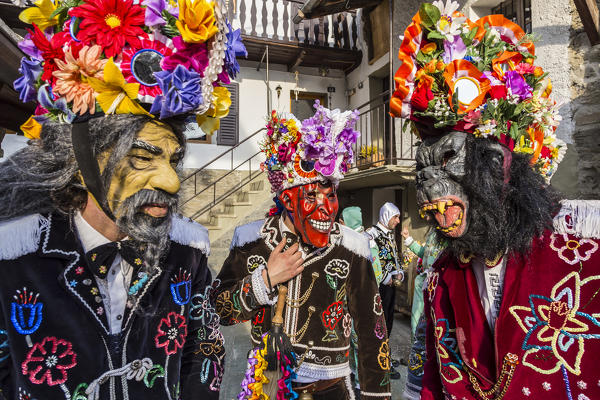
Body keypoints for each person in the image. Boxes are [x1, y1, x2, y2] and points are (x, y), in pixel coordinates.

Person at [0, 0, 246, 397]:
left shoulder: (187, 252)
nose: (169, 180)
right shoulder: (12, 260)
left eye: (174, 160)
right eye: (143, 157)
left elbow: (206, 354)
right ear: (80, 163)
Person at [391, 2, 600, 398]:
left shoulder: (587, 243)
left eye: (450, 158)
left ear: (500, 161)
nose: (432, 196)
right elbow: (426, 382)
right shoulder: (440, 278)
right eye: (425, 169)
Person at [215, 104, 391, 399]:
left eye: (331, 194)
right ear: (286, 197)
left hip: (331, 390)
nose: (326, 207)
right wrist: (265, 280)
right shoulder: (250, 240)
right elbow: (219, 311)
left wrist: (377, 396)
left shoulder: (352, 247)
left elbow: (373, 333)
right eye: (311, 195)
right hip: (266, 386)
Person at [339, 206, 384, 396]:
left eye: (341, 221)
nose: (339, 224)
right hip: (368, 301)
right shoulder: (369, 241)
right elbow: (379, 275)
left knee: (356, 343)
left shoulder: (352, 242)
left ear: (346, 221)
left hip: (354, 304)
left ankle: (359, 384)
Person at [400, 227, 446, 400]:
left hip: (438, 286)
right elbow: (424, 254)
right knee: (417, 324)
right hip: (424, 285)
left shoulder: (447, 233)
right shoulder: (433, 232)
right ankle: (418, 363)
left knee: (433, 327)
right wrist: (409, 240)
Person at [366, 202, 404, 379]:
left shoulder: (389, 234)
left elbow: (393, 257)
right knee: (379, 324)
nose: (398, 221)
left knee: (388, 323)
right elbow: (369, 260)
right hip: (379, 287)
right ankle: (379, 361)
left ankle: (385, 355)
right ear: (387, 216)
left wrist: (399, 272)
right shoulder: (371, 234)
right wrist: (384, 276)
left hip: (390, 288)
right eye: (395, 217)